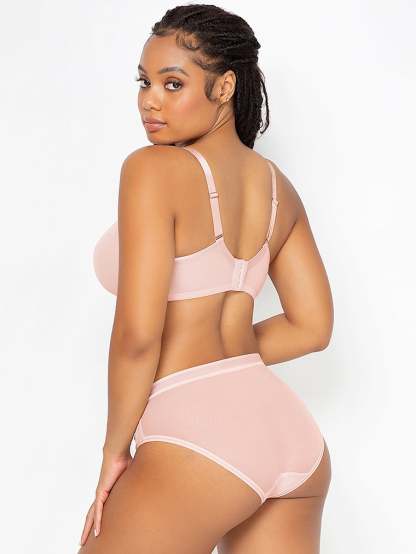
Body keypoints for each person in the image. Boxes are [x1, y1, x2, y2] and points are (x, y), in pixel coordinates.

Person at [78, 4, 333, 553]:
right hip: (290, 436)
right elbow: (312, 327)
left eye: (173, 84)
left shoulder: (152, 170)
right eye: (144, 82)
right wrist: (226, 359)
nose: (150, 100)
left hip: (195, 431)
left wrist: (113, 453)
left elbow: (137, 336)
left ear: (225, 87)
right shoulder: (279, 190)